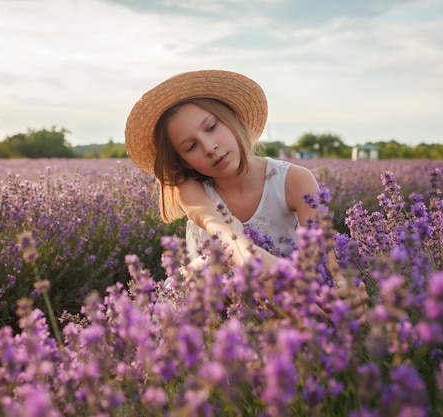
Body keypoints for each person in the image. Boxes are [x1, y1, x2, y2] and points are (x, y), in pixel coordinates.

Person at [124, 69, 367, 319]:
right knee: (209, 267)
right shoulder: (191, 190)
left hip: (285, 301)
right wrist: (263, 268)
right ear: (183, 161)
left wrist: (344, 290)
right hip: (208, 308)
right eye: (191, 146)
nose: (210, 147)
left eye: (211, 127)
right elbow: (224, 233)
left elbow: (326, 258)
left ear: (234, 120)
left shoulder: (295, 180)